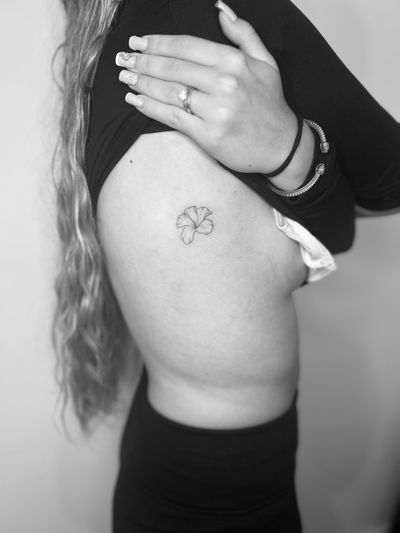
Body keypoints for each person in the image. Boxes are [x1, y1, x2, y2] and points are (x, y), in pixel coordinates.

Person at [52, 0, 400, 531]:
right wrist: (293, 155)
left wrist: (289, 154)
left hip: (158, 462)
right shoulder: (216, 15)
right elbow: (380, 192)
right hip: (226, 493)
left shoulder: (110, 43)